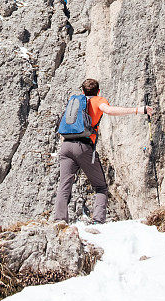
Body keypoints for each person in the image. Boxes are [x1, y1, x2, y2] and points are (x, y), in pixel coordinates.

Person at [53, 78, 154, 225]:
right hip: (83, 147)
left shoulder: (75, 101)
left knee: (64, 184)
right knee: (100, 187)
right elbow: (110, 111)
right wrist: (138, 110)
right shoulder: (98, 100)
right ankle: (98, 221)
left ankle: (59, 220)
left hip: (66, 145)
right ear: (98, 91)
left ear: (82, 91)